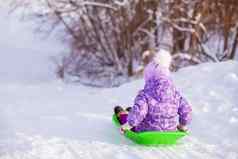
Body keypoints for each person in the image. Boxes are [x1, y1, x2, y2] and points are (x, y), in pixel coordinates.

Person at [120, 49, 192, 133]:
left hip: (146, 131)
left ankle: (122, 114)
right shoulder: (175, 95)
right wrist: (183, 125)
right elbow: (186, 110)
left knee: (129, 115)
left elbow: (139, 111)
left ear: (149, 78)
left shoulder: (145, 94)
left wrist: (128, 125)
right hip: (170, 130)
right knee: (133, 111)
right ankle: (128, 111)